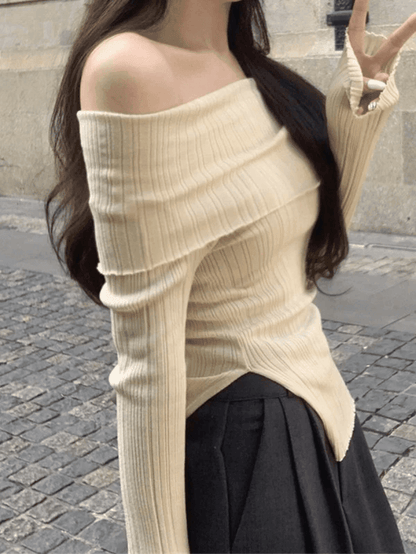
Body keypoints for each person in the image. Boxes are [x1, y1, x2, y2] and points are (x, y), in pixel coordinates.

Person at [45, 0, 416, 551]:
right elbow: (148, 365)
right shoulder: (131, 69)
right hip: (248, 450)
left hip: (325, 423)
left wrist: (355, 106)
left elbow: (304, 256)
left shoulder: (249, 70)